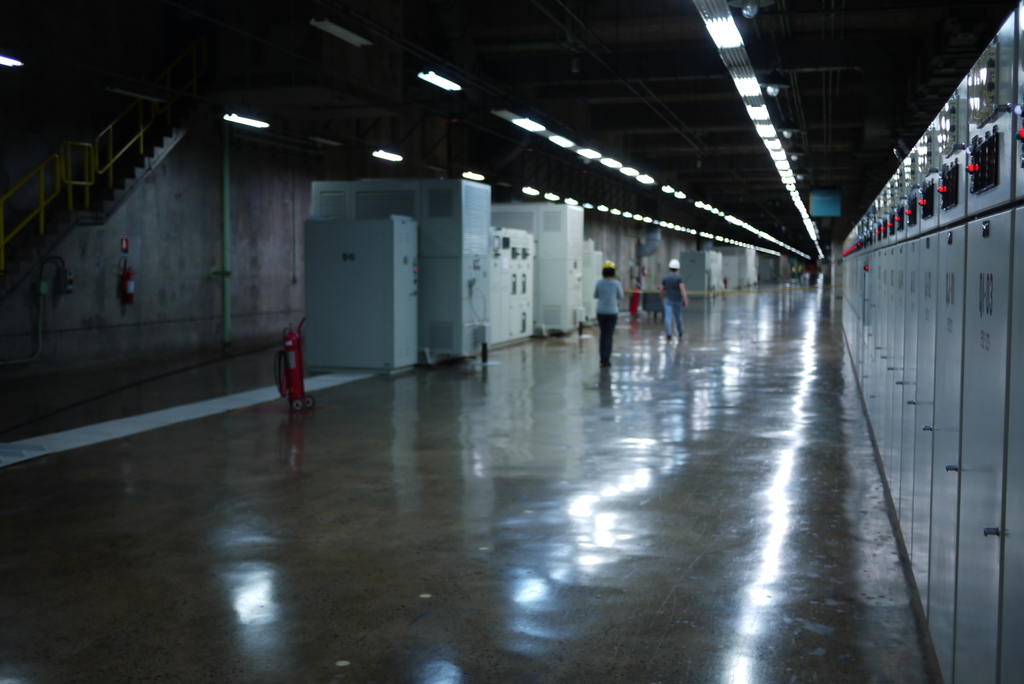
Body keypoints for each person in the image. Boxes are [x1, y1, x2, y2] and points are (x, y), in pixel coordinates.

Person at [594, 262, 625, 367]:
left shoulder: (599, 283)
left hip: (601, 311)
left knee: (602, 334)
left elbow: (596, 295)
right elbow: (621, 296)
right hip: (612, 312)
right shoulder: (616, 283)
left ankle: (602, 357)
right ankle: (606, 358)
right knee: (609, 336)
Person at [660, 258, 689, 341]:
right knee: (678, 317)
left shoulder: (666, 278)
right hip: (677, 300)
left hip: (668, 300)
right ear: (678, 269)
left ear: (669, 268)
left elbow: (662, 289)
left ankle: (668, 334)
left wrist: (662, 298)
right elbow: (682, 289)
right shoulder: (679, 278)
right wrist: (685, 299)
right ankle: (680, 332)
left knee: (668, 317)